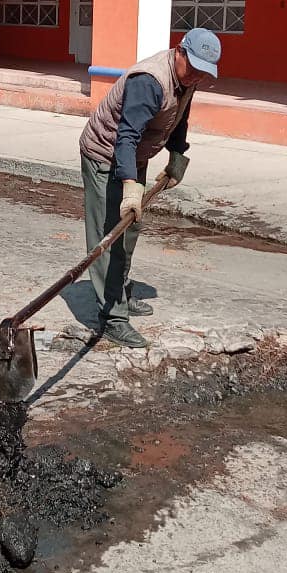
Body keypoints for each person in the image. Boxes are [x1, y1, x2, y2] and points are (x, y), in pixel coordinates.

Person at [78, 27, 222, 347]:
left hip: (134, 155)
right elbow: (125, 136)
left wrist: (177, 155)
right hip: (104, 154)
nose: (197, 77)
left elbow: (179, 118)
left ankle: (120, 292)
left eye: (204, 73)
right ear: (179, 51)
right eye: (194, 69)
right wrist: (131, 186)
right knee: (109, 235)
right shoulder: (150, 81)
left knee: (130, 230)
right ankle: (112, 317)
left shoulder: (187, 79)